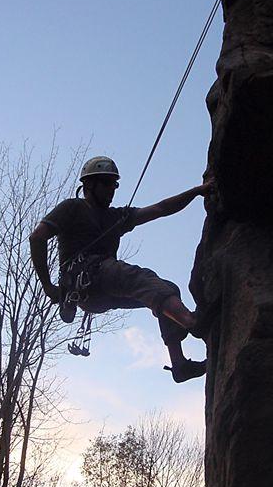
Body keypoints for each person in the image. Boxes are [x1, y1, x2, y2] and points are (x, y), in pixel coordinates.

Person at [29, 156, 210, 383]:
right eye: (106, 183)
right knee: (142, 279)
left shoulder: (115, 216)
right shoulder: (72, 208)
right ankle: (194, 323)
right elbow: (37, 237)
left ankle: (179, 364)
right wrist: (48, 286)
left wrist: (197, 191)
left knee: (166, 289)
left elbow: (161, 209)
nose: (111, 190)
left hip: (100, 291)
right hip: (87, 276)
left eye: (114, 185)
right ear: (89, 185)